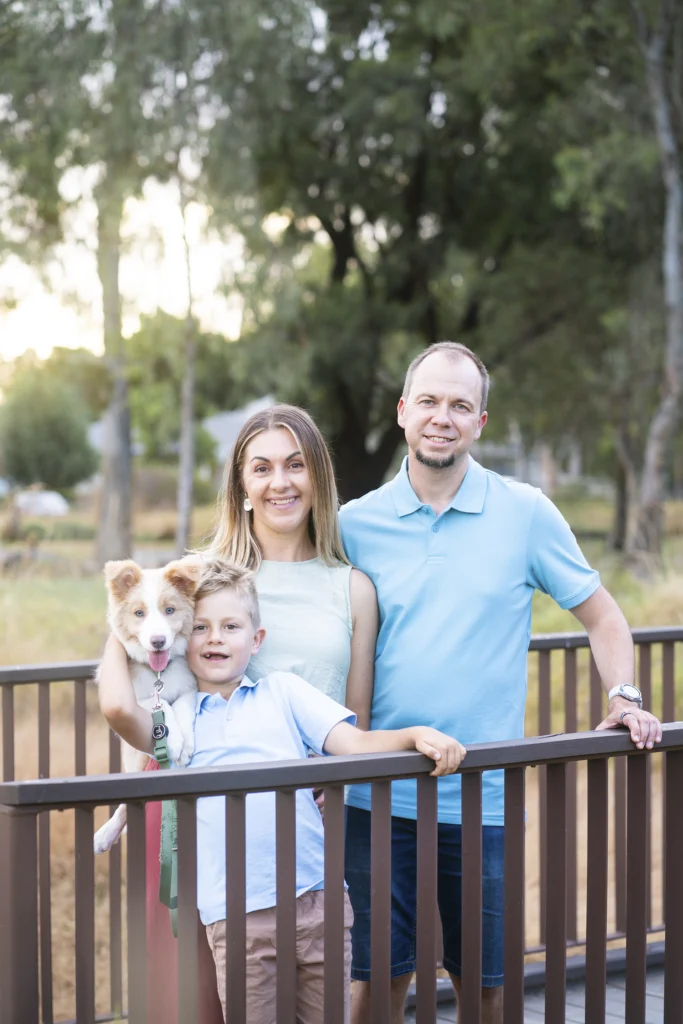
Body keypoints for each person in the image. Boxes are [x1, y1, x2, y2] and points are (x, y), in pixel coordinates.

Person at [339, 341, 663, 1024]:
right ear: (402, 412)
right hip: (374, 796)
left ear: (480, 422)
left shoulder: (525, 513)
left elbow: (602, 617)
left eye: (460, 405)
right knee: (376, 983)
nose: (441, 417)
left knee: (486, 987)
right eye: (427, 401)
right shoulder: (353, 524)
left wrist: (623, 696)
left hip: (482, 797)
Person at [98, 561, 466, 1024]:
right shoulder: (177, 720)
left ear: (256, 640)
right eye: (202, 627)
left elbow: (353, 745)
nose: (215, 637)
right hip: (237, 916)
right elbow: (115, 705)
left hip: (318, 901)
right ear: (182, 635)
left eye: (231, 626)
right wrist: (131, 620)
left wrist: (412, 735)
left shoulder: (285, 693)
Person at [142, 403, 379, 1022]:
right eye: (262, 467)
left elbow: (355, 713)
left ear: (317, 478)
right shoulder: (199, 577)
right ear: (241, 486)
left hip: (312, 824)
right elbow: (143, 664)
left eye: (296, 465)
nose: (281, 482)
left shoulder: (351, 586)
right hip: (213, 827)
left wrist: (339, 777)